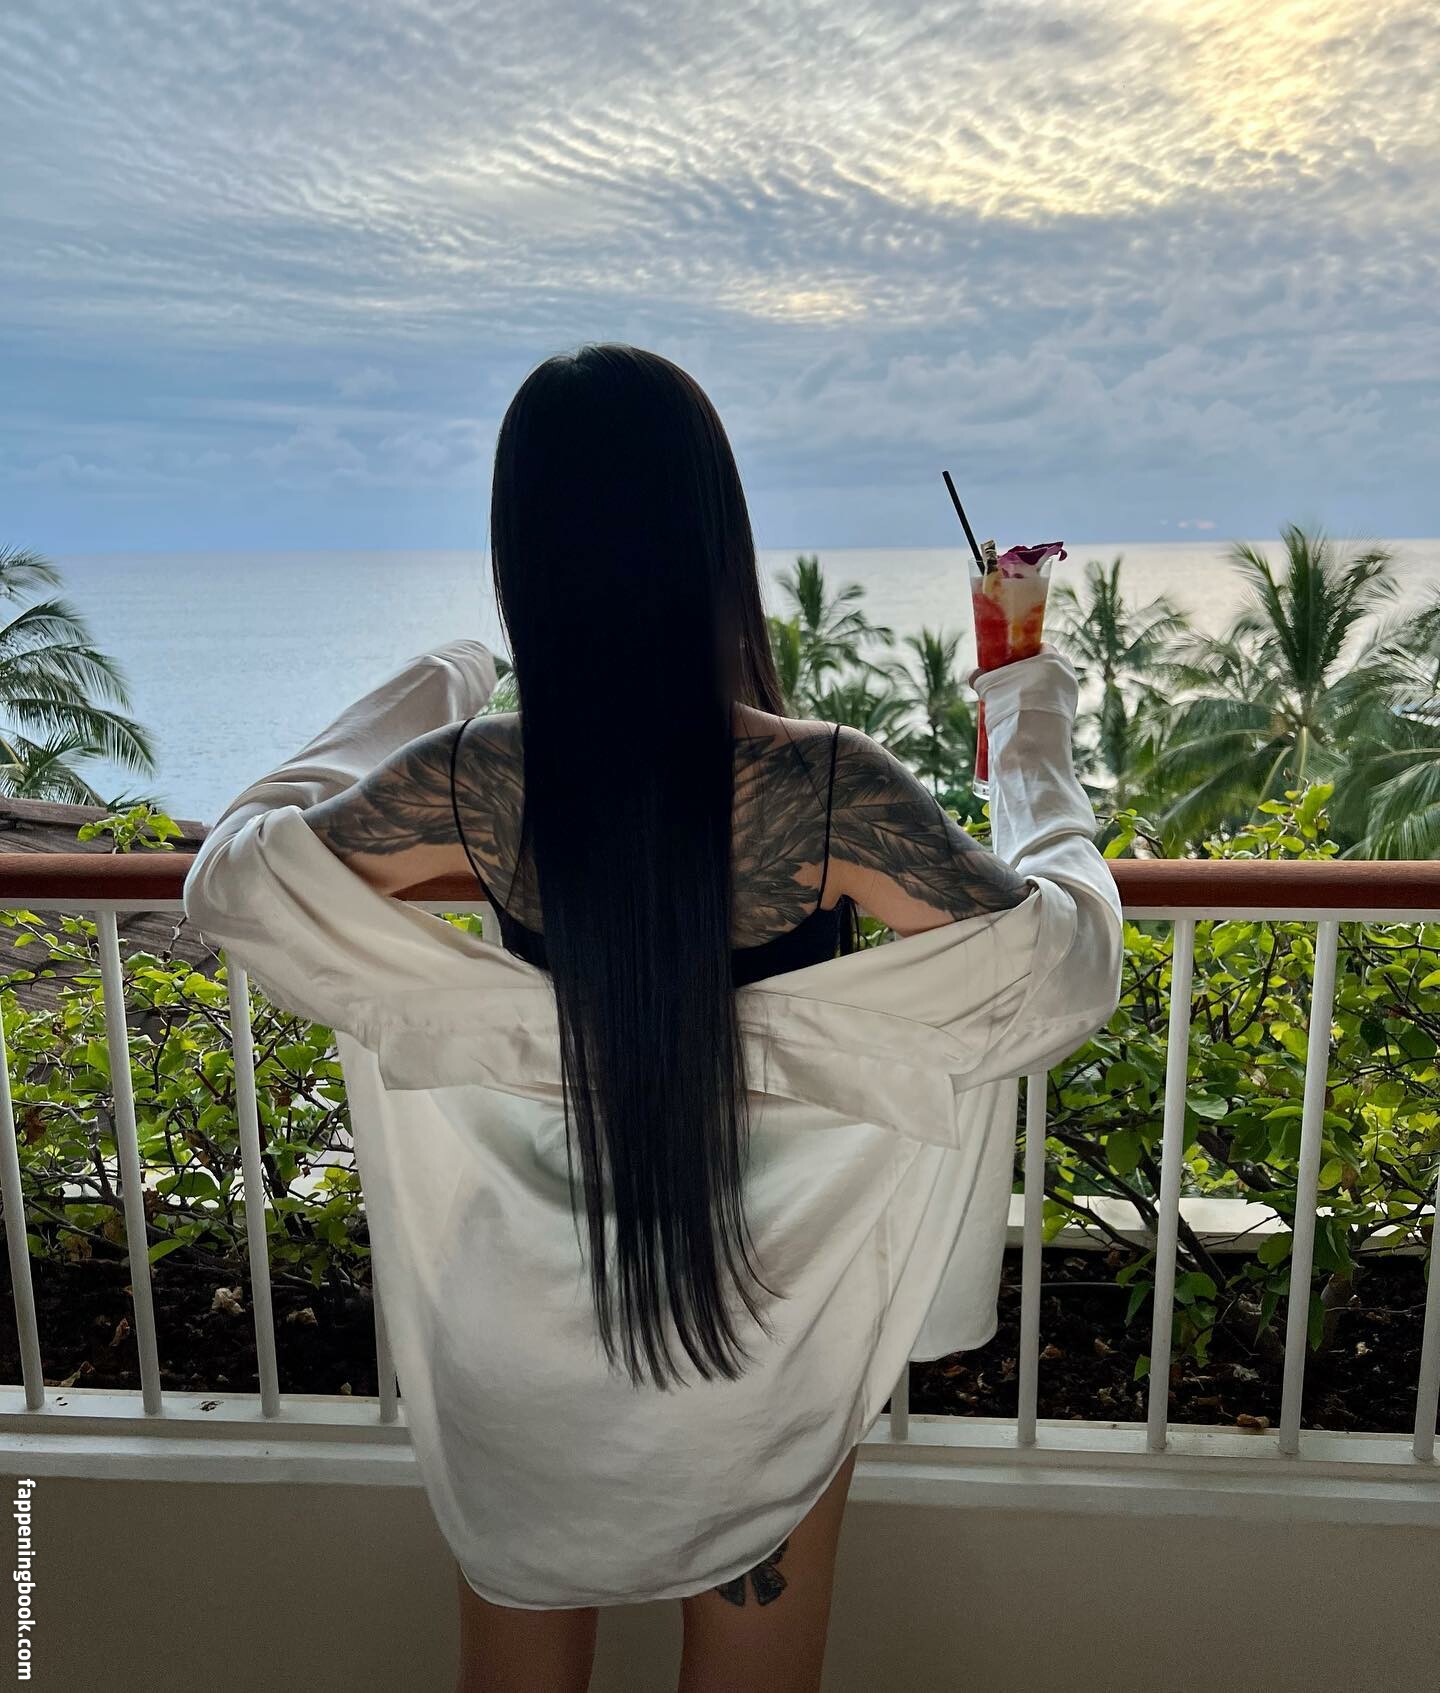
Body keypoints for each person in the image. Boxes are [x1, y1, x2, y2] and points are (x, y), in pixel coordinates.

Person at [182, 343, 1124, 1693]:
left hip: (519, 1326)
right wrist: (1026, 714)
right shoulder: (830, 792)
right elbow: (1062, 959)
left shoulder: (473, 782)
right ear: (717, 544)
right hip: (753, 1325)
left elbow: (235, 874)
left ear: (521, 559)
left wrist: (446, 673)